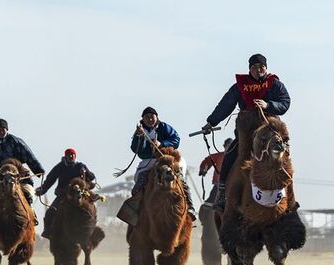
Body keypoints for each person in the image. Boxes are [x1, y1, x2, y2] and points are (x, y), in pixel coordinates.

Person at [200, 53, 291, 211]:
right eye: (254, 67)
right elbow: (226, 105)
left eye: (261, 67)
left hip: (269, 128)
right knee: (232, 152)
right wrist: (211, 122)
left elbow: (285, 103)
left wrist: (268, 105)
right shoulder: (240, 86)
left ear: (266, 68)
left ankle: (289, 196)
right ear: (250, 69)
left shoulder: (275, 84)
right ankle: (222, 193)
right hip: (246, 129)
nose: (258, 70)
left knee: (284, 154)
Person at [118, 107, 195, 224]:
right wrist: (139, 137)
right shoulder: (141, 131)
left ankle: (189, 207)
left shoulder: (164, 127)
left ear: (156, 117)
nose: (150, 119)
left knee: (179, 179)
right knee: (140, 183)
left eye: (152, 116)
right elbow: (135, 149)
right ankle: (136, 210)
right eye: (147, 117)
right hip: (149, 161)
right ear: (142, 119)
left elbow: (176, 139)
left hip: (167, 158)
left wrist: (161, 143)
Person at [35, 148, 96, 238]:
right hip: (63, 195)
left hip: (80, 194)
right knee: (50, 212)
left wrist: (85, 172)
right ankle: (47, 230)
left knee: (90, 208)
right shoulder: (60, 166)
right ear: (65, 157)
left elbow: (92, 177)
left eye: (72, 155)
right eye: (69, 155)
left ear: (75, 156)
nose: (71, 157)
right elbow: (50, 179)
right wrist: (43, 189)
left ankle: (92, 229)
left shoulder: (81, 166)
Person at [198, 137, 233, 204]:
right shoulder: (219, 156)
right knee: (209, 203)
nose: (229, 148)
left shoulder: (235, 158)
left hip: (231, 186)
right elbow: (208, 161)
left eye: (230, 146)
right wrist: (203, 169)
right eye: (228, 146)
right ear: (224, 146)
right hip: (218, 185)